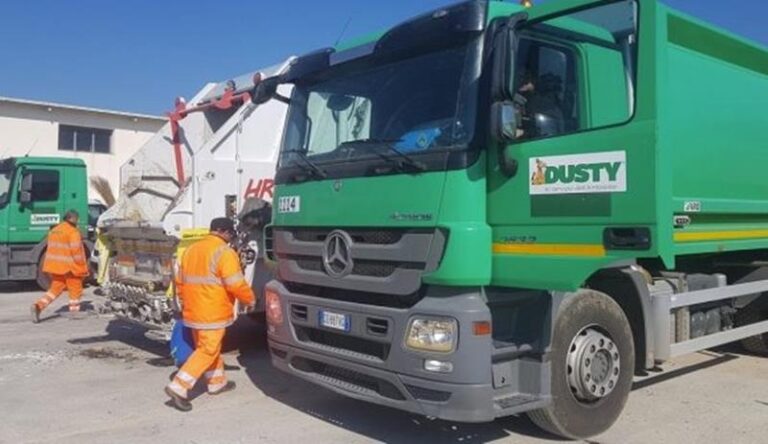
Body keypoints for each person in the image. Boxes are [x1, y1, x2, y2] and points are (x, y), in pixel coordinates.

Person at [165, 217, 255, 412]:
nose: (231, 238)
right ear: (224, 232)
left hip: (193, 310)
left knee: (207, 347)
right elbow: (235, 283)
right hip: (212, 311)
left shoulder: (190, 250)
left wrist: (184, 301)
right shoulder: (224, 252)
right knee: (208, 349)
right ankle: (179, 387)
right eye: (230, 234)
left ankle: (217, 382)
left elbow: (179, 281)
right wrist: (250, 299)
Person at [30, 210, 89, 323]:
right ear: (73, 219)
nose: (78, 221)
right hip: (70, 267)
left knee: (54, 290)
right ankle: (74, 312)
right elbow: (76, 251)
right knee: (75, 290)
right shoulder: (73, 232)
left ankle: (38, 306)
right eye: (77, 218)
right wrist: (81, 267)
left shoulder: (54, 230)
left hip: (56, 267)